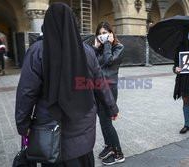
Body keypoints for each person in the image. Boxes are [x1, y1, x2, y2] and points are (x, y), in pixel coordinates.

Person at [15, 3, 118, 167]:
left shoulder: (37, 51)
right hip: (84, 131)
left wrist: (23, 125)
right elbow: (100, 84)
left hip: (51, 135)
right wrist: (112, 108)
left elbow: (26, 93)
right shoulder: (87, 51)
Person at [92, 22, 125, 165]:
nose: (102, 35)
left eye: (105, 32)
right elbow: (91, 64)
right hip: (97, 86)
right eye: (99, 33)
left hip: (109, 88)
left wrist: (106, 45)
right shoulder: (98, 49)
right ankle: (109, 146)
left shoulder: (119, 47)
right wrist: (95, 48)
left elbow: (108, 60)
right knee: (102, 119)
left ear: (111, 33)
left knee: (106, 121)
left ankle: (118, 153)